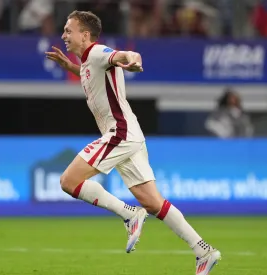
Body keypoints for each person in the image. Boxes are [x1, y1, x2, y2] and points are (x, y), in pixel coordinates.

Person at [45, 10, 221, 275]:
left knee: (68, 181)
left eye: (68, 31)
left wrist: (133, 59)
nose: (63, 35)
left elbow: (121, 56)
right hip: (132, 134)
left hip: (120, 132)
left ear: (85, 34)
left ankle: (129, 214)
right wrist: (68, 66)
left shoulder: (97, 52)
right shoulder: (87, 63)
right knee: (153, 203)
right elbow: (89, 71)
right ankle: (203, 251)